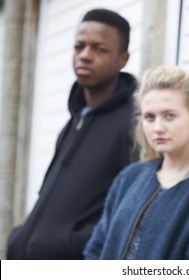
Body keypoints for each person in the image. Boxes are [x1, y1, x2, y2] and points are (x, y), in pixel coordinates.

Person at [7, 9, 139, 259]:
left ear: (122, 59)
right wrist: (21, 236)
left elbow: (129, 214)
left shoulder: (134, 123)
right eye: (79, 46)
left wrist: (68, 244)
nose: (85, 56)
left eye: (99, 49)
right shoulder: (74, 120)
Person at [83, 65, 189, 260]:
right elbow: (96, 249)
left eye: (169, 115)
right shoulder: (129, 178)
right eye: (149, 117)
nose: (157, 127)